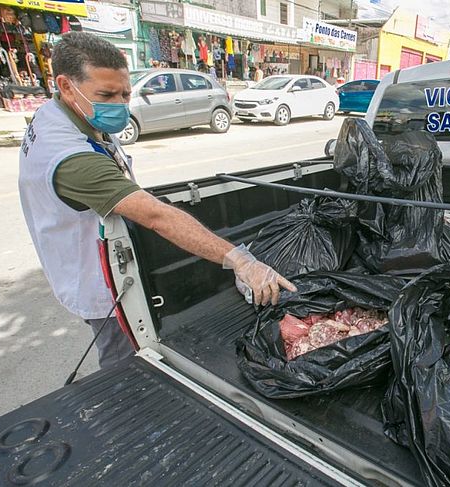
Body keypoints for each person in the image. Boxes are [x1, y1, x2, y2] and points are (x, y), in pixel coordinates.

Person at [18, 32, 296, 369]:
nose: (120, 106)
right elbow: (155, 217)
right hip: (101, 284)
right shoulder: (67, 155)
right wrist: (240, 260)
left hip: (102, 259)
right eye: (106, 95)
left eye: (125, 94)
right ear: (65, 85)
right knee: (127, 364)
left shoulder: (70, 113)